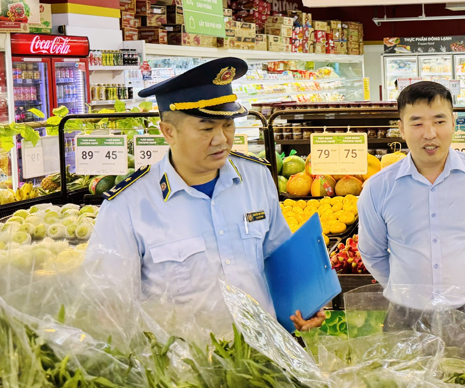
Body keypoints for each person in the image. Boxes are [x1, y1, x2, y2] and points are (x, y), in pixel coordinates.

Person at [86, 57, 324, 331]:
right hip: (184, 366)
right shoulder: (128, 206)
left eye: (228, 125)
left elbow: (277, 255)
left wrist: (306, 302)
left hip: (265, 358)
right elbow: (108, 305)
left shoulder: (256, 178)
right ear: (168, 132)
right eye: (207, 128)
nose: (222, 139)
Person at [357, 80, 465, 322]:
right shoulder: (378, 187)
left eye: (439, 121)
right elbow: (372, 252)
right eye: (417, 122)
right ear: (401, 128)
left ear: (454, 123)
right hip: (406, 316)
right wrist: (406, 293)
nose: (430, 133)